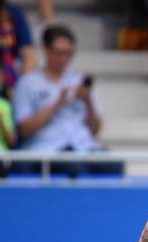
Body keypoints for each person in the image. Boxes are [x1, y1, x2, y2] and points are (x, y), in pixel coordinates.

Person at [13, 25, 103, 153]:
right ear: (46, 50)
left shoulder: (79, 81)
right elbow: (24, 130)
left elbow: (95, 130)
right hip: (46, 149)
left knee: (113, 165)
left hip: (83, 147)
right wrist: (57, 104)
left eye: (69, 53)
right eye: (59, 53)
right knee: (72, 166)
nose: (64, 59)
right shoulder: (28, 83)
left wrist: (88, 101)